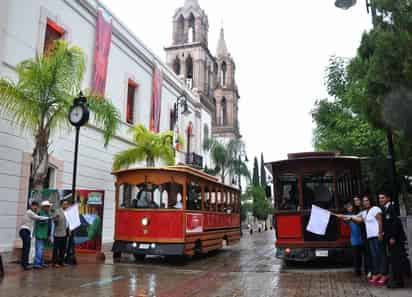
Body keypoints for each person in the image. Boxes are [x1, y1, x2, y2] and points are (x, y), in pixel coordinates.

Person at [343, 196, 387, 285]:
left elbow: (380, 221)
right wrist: (347, 217)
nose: (365, 202)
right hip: (370, 237)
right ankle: (376, 273)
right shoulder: (364, 212)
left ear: (370, 201)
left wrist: (379, 233)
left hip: (377, 236)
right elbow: (357, 219)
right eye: (364, 201)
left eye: (367, 200)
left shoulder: (375, 209)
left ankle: (384, 275)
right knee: (374, 256)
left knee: (381, 255)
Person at [378, 192, 407, 288]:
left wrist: (393, 237)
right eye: (379, 198)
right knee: (393, 260)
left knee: (396, 260)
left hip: (395, 239)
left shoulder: (392, 208)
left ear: (388, 198)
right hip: (390, 238)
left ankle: (399, 282)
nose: (380, 200)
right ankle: (396, 280)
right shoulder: (385, 209)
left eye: (382, 198)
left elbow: (395, 224)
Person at [18, 201, 50, 270]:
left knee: (26, 248)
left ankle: (24, 264)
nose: (36, 208)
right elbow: (38, 217)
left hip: (26, 231)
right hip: (25, 230)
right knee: (26, 248)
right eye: (35, 206)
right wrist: (48, 218)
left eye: (36, 206)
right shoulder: (29, 212)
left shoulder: (32, 212)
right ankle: (25, 265)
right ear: (32, 206)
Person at [343, 202, 364, 276]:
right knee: (356, 255)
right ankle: (357, 270)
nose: (349, 208)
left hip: (361, 237)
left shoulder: (358, 214)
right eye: (347, 207)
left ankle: (365, 270)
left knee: (363, 255)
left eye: (350, 206)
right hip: (354, 238)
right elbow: (344, 220)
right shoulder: (346, 216)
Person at [352, 196, 370, 277]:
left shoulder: (364, 210)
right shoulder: (355, 211)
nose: (356, 202)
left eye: (358, 200)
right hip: (359, 235)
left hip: (367, 233)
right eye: (355, 201)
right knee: (358, 254)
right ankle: (359, 270)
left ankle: (368, 271)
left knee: (367, 254)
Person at [33, 200, 52, 269]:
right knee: (40, 249)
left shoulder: (47, 214)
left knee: (41, 249)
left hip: (44, 234)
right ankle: (37, 263)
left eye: (48, 206)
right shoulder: (40, 213)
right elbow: (40, 222)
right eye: (47, 206)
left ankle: (40, 262)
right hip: (40, 234)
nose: (48, 208)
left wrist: (49, 234)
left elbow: (49, 225)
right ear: (43, 207)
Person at [52, 200, 69, 268]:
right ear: (61, 205)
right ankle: (54, 262)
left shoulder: (68, 212)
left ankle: (61, 262)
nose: (66, 205)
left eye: (67, 204)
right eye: (64, 204)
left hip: (65, 232)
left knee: (63, 248)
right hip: (58, 233)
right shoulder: (57, 211)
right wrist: (56, 218)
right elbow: (54, 220)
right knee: (56, 249)